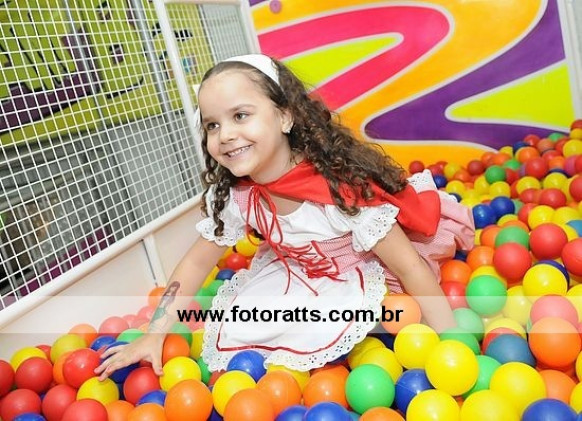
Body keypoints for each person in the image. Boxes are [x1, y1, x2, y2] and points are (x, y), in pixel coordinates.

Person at [95, 53, 474, 379]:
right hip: (302, 274)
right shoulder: (239, 196)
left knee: (391, 318)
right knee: (250, 325)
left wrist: (450, 342)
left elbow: (409, 266)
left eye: (240, 115)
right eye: (212, 125)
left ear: (285, 118)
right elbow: (196, 262)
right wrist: (154, 333)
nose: (224, 135)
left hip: (363, 271)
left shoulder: (340, 191)